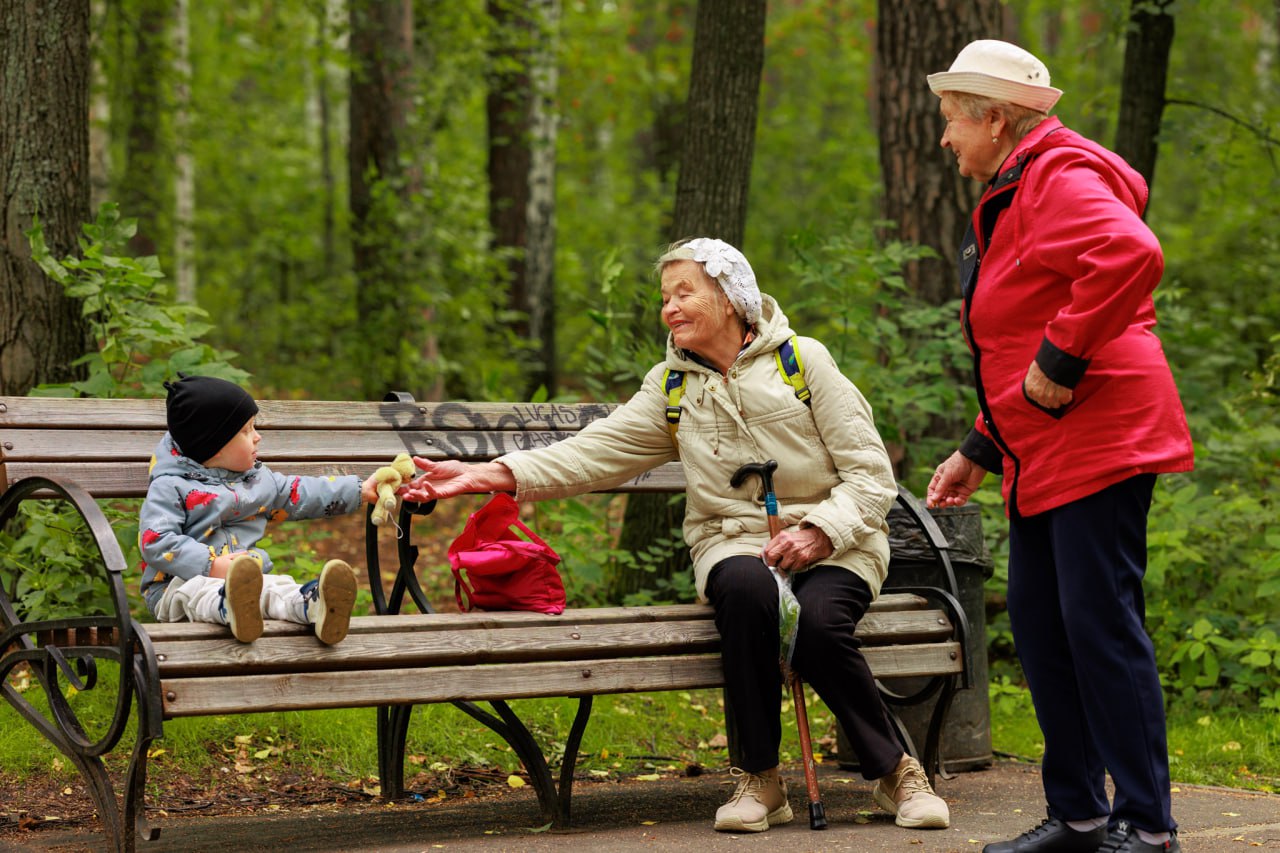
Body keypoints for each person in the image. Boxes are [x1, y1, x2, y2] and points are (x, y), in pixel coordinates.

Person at [399, 237, 951, 833]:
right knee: (745, 594)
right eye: (665, 297)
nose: (669, 308)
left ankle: (896, 773)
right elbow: (592, 454)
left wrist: (819, 531)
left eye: (684, 292)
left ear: (731, 296)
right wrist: (483, 475)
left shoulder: (803, 361)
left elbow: (872, 477)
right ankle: (761, 780)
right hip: (733, 540)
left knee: (815, 622)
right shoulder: (671, 385)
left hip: (837, 539)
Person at [925, 40, 1194, 853]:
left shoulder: (1058, 176)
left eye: (951, 121)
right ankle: (1078, 815)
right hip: (1040, 443)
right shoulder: (1014, 186)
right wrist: (981, 443)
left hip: (1102, 431)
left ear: (996, 119)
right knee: (1044, 628)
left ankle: (1147, 826)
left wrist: (1061, 360)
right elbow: (1019, 328)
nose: (945, 139)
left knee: (1099, 626)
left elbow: (1130, 254)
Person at [139, 374, 382, 644]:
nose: (257, 437)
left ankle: (314, 605)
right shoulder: (171, 486)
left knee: (276, 587)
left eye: (254, 427)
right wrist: (210, 565)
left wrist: (359, 491)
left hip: (247, 581)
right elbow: (156, 540)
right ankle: (230, 605)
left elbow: (299, 492)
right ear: (213, 445)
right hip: (176, 586)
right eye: (246, 431)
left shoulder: (254, 479)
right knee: (200, 591)